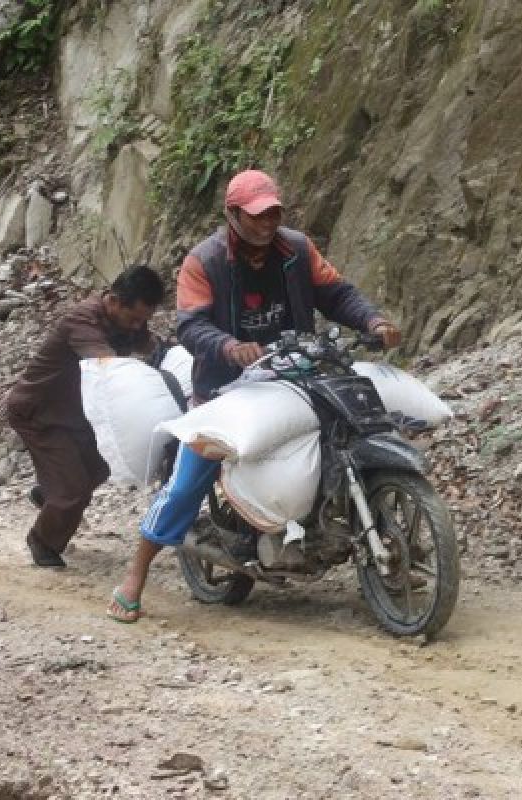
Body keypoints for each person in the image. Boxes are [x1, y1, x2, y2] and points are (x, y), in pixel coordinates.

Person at [107, 170, 401, 622]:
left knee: (350, 431)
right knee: (188, 481)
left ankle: (370, 541)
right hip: (223, 388)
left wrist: (372, 321)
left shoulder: (298, 250)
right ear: (233, 215)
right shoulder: (203, 261)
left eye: (274, 213)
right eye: (257, 215)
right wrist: (229, 346)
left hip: (296, 375)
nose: (267, 223)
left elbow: (336, 293)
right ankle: (135, 576)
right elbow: (189, 324)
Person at [6, 264, 166, 568]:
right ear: (114, 301)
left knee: (100, 466)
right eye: (134, 319)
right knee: (73, 490)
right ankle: (42, 541)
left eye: (143, 320)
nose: (137, 326)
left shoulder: (129, 321)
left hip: (74, 415)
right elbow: (107, 367)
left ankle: (50, 495)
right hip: (38, 412)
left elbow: (149, 344)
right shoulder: (81, 321)